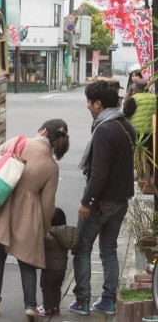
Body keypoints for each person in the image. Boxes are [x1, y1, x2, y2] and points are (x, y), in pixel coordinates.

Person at [0, 119, 70, 321]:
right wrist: (42, 229)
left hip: (2, 203)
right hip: (28, 214)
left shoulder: (19, 141)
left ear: (42, 130)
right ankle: (29, 307)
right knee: (26, 263)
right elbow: (47, 204)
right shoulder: (52, 166)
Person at [69, 79, 135, 316]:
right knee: (108, 249)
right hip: (121, 200)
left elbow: (98, 173)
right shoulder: (126, 125)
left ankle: (82, 301)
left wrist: (86, 202)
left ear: (98, 103)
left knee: (81, 249)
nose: (87, 106)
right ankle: (107, 301)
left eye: (89, 101)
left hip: (101, 202)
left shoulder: (103, 129)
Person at [35, 207, 79, 318]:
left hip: (49, 268)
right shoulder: (65, 235)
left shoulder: (48, 235)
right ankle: (56, 307)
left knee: (46, 288)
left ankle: (47, 308)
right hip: (61, 269)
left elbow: (40, 244)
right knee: (56, 288)